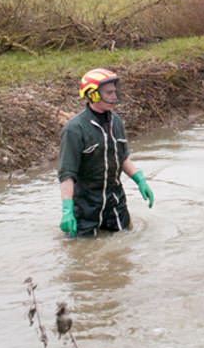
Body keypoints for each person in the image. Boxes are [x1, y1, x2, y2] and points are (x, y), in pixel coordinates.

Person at [58, 68, 154, 237]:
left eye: (115, 92)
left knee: (125, 245)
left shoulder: (116, 121)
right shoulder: (74, 129)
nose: (114, 97)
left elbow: (122, 157)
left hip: (115, 201)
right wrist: (67, 210)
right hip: (85, 206)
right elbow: (67, 174)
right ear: (92, 94)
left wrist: (140, 179)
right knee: (83, 253)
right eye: (109, 93)